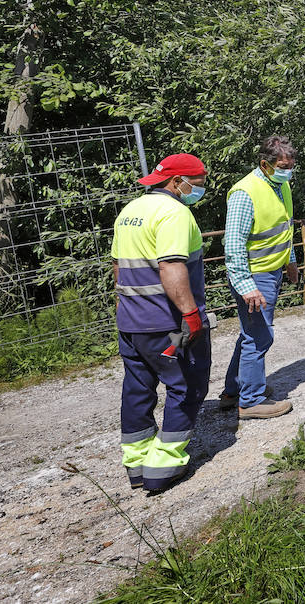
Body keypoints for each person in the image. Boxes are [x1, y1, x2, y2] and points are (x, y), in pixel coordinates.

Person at [112, 152, 211, 493]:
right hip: (167, 323)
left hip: (131, 321)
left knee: (138, 389)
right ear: (176, 182)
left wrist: (123, 307)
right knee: (186, 386)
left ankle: (137, 466)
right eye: (196, 185)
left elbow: (117, 268)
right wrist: (191, 314)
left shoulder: (130, 212)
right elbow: (170, 266)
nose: (198, 191)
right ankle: (162, 468)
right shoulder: (174, 213)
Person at [218, 135, 298, 419]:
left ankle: (233, 391)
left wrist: (290, 261)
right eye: (282, 165)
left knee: (250, 334)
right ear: (265, 164)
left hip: (271, 270)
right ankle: (251, 401)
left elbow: (284, 226)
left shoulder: (280, 185)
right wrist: (246, 286)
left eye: (290, 165)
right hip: (254, 275)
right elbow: (235, 244)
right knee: (259, 337)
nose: (288, 170)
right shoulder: (245, 192)